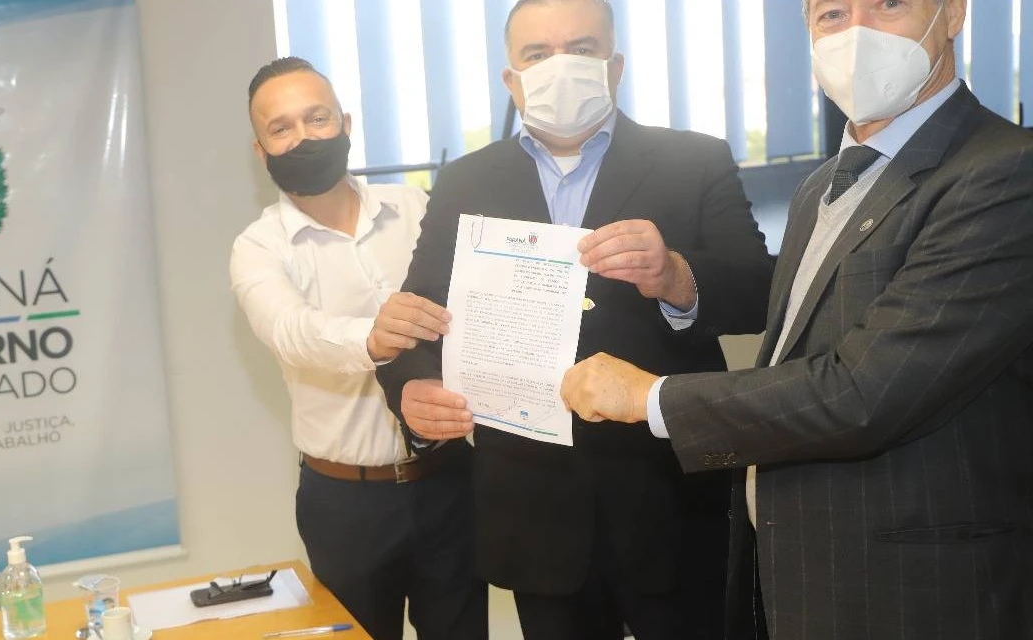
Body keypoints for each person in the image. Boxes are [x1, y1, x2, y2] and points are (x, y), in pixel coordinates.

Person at [560, 0, 1033, 637]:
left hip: (918, 591)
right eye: (833, 14)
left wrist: (650, 397)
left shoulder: (1003, 172)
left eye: (889, 4)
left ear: (952, 14)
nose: (858, 34)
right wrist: (673, 280)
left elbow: (866, 392)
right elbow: (796, 342)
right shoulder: (824, 185)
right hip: (802, 572)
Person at [373, 1, 774, 638]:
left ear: (615, 66)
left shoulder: (693, 160)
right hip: (534, 512)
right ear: (511, 79)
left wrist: (677, 275)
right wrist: (411, 388)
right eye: (537, 54)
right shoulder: (463, 181)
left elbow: (761, 291)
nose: (559, 66)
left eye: (582, 49)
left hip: (672, 502)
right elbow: (419, 315)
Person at [229, 57, 487, 640]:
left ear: (345, 124)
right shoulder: (258, 248)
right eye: (281, 128)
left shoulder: (417, 209)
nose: (302, 138)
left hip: (451, 481)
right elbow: (290, 330)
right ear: (261, 150)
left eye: (316, 118)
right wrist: (370, 338)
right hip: (346, 502)